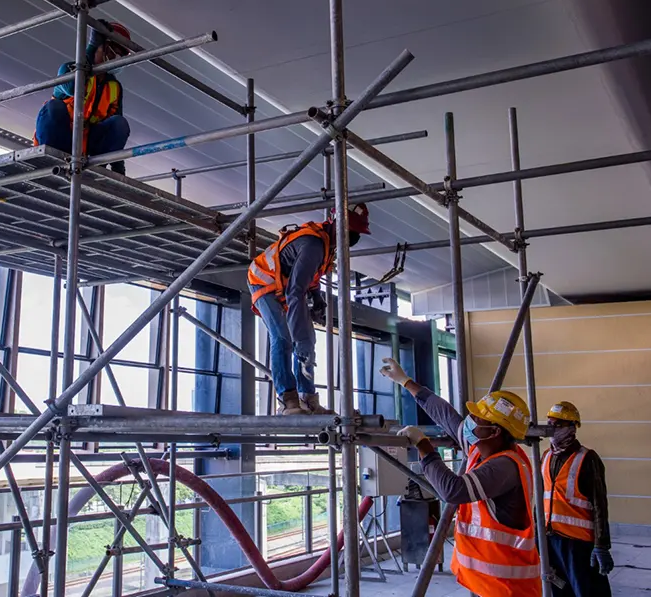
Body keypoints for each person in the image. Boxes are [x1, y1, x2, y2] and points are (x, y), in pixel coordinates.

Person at [381, 358, 542, 597]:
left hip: (507, 588)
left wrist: (424, 446)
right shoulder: (481, 450)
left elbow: (453, 490)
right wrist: (406, 382)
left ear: (494, 431)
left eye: (478, 419)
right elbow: (447, 417)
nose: (470, 421)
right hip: (486, 582)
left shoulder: (505, 466)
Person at [247, 203, 371, 416]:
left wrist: (317, 297)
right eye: (352, 232)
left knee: (306, 342)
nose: (353, 238)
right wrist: (299, 332)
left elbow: (308, 278)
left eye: (356, 233)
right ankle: (287, 400)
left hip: (285, 286)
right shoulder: (314, 245)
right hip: (262, 281)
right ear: (336, 224)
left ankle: (308, 399)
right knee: (283, 338)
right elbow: (295, 292)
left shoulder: (327, 245)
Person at [33, 20, 132, 174]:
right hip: (60, 138)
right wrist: (91, 50)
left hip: (86, 147)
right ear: (101, 46)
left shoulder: (114, 87)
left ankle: (98, 167)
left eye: (122, 55)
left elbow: (116, 129)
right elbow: (73, 87)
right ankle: (51, 159)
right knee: (54, 108)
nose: (117, 59)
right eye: (114, 52)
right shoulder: (69, 68)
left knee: (120, 123)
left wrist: (118, 166)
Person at [543, 401, 613, 596]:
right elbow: (540, 500)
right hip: (551, 539)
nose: (552, 429)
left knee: (586, 590)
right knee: (558, 589)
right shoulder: (546, 457)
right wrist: (537, 536)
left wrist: (601, 546)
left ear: (572, 427)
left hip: (578, 544)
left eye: (558, 425)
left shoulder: (587, 458)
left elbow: (600, 505)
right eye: (550, 424)